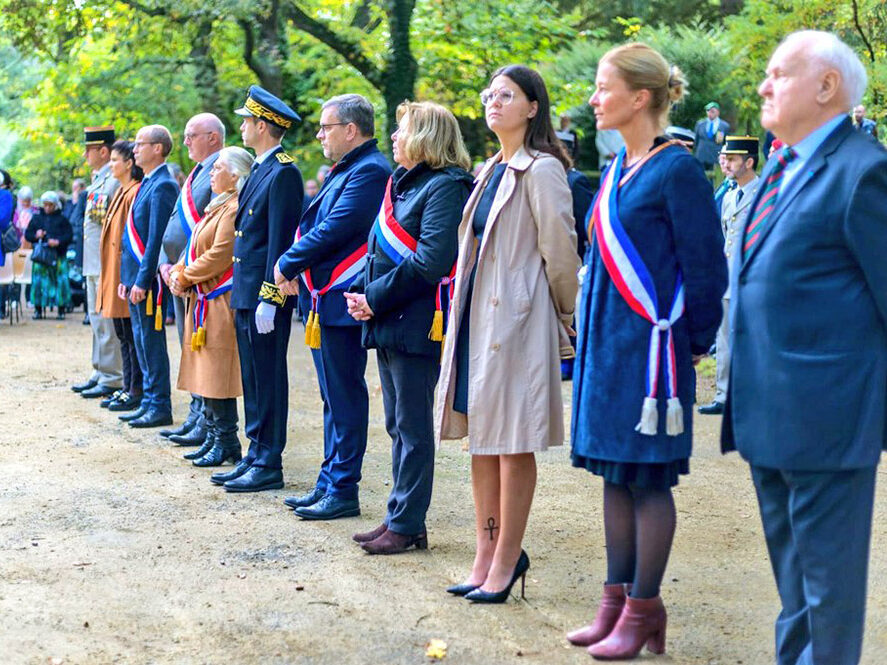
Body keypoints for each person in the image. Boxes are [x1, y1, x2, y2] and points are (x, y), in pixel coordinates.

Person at [722, 31, 887, 665]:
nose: (764, 86)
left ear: (827, 87)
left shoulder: (863, 172)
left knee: (828, 595)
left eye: (778, 74)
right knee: (794, 593)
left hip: (830, 421)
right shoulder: (781, 167)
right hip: (769, 414)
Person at [567, 43, 726, 660]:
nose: (594, 98)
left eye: (604, 87)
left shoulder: (678, 169)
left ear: (639, 98)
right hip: (609, 348)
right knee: (615, 473)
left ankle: (644, 610)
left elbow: (706, 270)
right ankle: (614, 606)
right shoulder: (616, 171)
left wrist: (687, 347)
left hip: (652, 355)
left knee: (649, 478)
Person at [435, 65, 579, 603]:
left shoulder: (541, 170)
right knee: (481, 443)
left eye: (507, 95)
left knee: (513, 444)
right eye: (489, 94)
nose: (493, 102)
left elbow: (561, 252)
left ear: (533, 106)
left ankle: (505, 559)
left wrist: (565, 314)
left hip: (517, 321)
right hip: (476, 318)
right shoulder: (489, 166)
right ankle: (485, 554)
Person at [344, 101, 472, 553]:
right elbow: (378, 249)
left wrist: (373, 298)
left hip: (416, 323)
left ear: (426, 139)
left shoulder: (444, 187)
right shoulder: (403, 185)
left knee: (414, 429)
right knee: (398, 425)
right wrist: (363, 297)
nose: (394, 138)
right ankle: (400, 517)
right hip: (389, 318)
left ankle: (407, 522)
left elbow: (432, 260)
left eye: (402, 131)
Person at [274, 93, 390, 519]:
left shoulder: (371, 170)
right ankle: (329, 480)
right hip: (327, 299)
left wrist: (287, 261)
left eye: (326, 126)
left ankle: (343, 488)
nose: (320, 134)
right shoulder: (350, 167)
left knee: (343, 394)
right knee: (330, 395)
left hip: (344, 297)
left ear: (351, 130)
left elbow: (338, 227)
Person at [208, 85, 302, 493]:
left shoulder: (284, 172)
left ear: (262, 126)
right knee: (252, 376)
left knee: (268, 377)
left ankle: (269, 461)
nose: (242, 127)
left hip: (264, 294)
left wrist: (271, 295)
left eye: (247, 121)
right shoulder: (263, 168)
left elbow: (279, 240)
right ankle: (255, 451)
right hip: (246, 292)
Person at [170, 147, 252, 467]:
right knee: (206, 371)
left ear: (234, 176)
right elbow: (194, 247)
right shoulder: (215, 206)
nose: (212, 173)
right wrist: (179, 273)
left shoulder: (232, 208)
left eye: (218, 168)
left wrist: (184, 276)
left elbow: (219, 254)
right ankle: (215, 437)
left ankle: (227, 440)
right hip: (203, 297)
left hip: (219, 300)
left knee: (218, 372)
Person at [157, 113, 225, 446]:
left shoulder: (221, 169)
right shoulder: (195, 172)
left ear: (213, 137)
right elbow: (173, 224)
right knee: (188, 345)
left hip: (197, 276)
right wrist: (163, 263)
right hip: (176, 272)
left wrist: (181, 268)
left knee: (199, 347)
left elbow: (208, 232)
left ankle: (205, 420)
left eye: (191, 135)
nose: (185, 142)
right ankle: (196, 414)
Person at [118, 124, 178, 429]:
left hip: (149, 281)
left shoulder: (164, 184)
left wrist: (142, 280)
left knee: (150, 342)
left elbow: (155, 240)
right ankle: (148, 401)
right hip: (135, 277)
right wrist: (126, 278)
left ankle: (159, 405)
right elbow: (133, 236)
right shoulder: (148, 183)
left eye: (140, 144)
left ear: (158, 148)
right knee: (140, 341)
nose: (134, 149)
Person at [698, 136, 759, 416]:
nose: (727, 164)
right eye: (727, 158)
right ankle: (724, 395)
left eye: (734, 159)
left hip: (751, 279)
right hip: (726, 279)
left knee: (750, 339)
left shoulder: (763, 194)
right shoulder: (730, 196)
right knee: (723, 339)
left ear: (749, 161)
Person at [71, 127, 123, 399]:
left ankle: (113, 375)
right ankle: (100, 369)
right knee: (95, 319)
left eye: (89, 149)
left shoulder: (113, 181)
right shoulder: (99, 180)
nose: (85, 154)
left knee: (105, 322)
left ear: (103, 150)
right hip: (93, 261)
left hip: (104, 262)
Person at [96, 140, 144, 412]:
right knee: (123, 333)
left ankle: (135, 388)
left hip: (123, 274)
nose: (111, 164)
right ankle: (127, 386)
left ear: (129, 164)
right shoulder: (120, 191)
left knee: (129, 333)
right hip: (114, 273)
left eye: (116, 160)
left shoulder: (133, 191)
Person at [25, 191, 74, 320]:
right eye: (45, 205)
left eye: (50, 205)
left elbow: (69, 236)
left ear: (55, 205)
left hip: (58, 255)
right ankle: (38, 309)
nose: (47, 208)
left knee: (60, 282)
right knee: (39, 283)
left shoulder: (62, 219)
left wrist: (58, 242)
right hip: (41, 257)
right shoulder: (36, 218)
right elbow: (28, 235)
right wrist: (37, 235)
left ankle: (61, 309)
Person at [693, 101, 730, 170]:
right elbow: (696, 141)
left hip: (715, 158)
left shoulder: (724, 126)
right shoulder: (700, 124)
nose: (710, 113)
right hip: (701, 156)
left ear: (718, 112)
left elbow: (726, 144)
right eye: (708, 111)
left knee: (713, 178)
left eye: (712, 111)